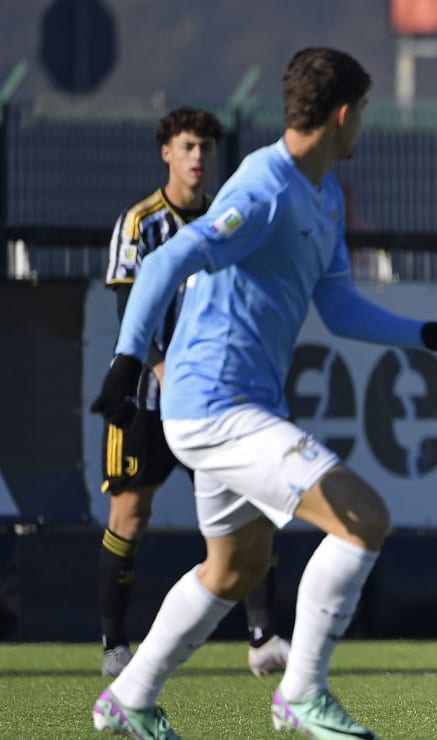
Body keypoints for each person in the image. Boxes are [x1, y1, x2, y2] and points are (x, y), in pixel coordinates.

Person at [88, 47, 437, 739]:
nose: (363, 125)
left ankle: (129, 697)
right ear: (343, 114)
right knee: (364, 518)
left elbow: (339, 309)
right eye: (363, 111)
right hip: (214, 406)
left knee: (234, 567)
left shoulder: (326, 194)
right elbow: (166, 259)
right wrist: (128, 360)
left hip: (243, 407)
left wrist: (430, 334)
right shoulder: (263, 188)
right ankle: (302, 693)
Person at [98, 107, 291, 681]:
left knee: (252, 509)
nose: (198, 156)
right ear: (167, 153)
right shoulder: (142, 222)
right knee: (131, 511)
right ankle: (113, 645)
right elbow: (126, 302)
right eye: (187, 146)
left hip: (216, 397)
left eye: (206, 146)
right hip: (148, 399)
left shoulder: (228, 218)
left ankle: (261, 635)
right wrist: (156, 366)